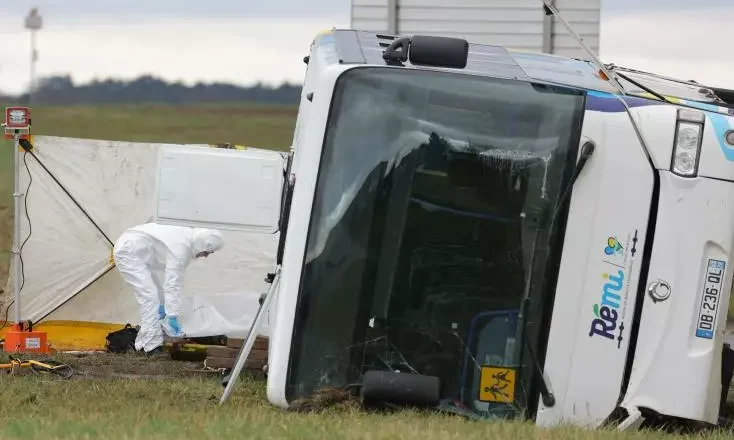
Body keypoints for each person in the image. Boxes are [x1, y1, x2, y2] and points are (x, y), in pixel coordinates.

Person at [112, 222, 225, 355]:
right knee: (150, 297)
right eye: (207, 252)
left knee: (156, 296)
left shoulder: (186, 238)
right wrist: (172, 315)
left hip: (134, 250)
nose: (205, 256)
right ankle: (151, 347)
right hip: (128, 253)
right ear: (201, 245)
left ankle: (142, 343)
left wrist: (165, 305)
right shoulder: (182, 248)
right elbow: (172, 284)